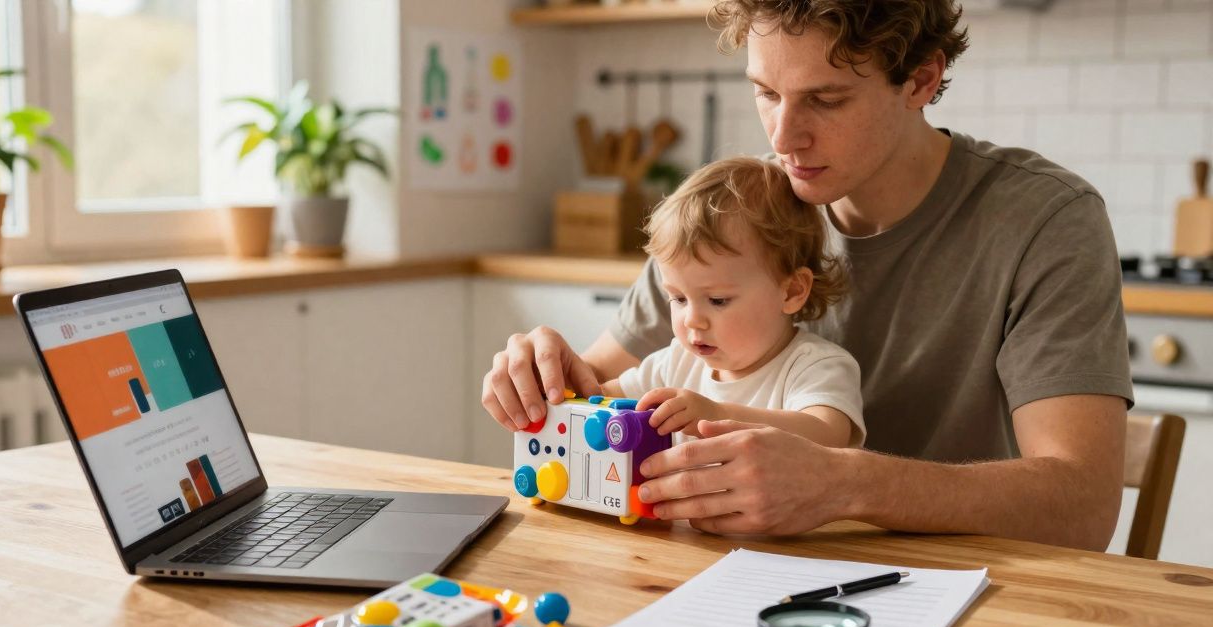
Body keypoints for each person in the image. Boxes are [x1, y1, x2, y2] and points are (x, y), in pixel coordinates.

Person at [481, 0, 1132, 551]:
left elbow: (1081, 506)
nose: (785, 137)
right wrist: (545, 374)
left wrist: (843, 483)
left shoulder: (1045, 220)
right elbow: (593, 390)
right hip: (736, 578)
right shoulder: (735, 213)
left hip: (964, 595)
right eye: (766, 93)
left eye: (826, 99)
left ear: (921, 81)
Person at [599, 155, 865, 450]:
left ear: (791, 292)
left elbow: (828, 433)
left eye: (717, 300)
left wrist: (719, 414)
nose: (691, 320)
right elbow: (603, 398)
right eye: (678, 298)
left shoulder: (815, 366)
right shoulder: (674, 363)